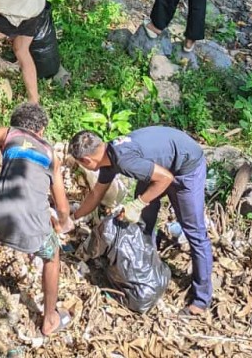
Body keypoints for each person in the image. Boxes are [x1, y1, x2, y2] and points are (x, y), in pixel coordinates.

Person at [0, 102, 72, 337]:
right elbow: (63, 208)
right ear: (41, 130)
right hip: (31, 233)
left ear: (17, 122)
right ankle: (49, 319)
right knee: (53, 254)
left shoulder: (9, 133)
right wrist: (60, 223)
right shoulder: (51, 155)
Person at [69, 126, 212, 317]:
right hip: (156, 167)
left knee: (194, 232)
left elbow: (166, 178)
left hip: (186, 167)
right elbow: (97, 194)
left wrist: (138, 204)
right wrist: (72, 218)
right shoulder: (108, 157)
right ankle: (150, 267)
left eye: (81, 164)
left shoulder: (125, 160)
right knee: (145, 220)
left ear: (87, 160)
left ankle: (201, 300)